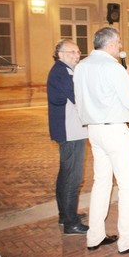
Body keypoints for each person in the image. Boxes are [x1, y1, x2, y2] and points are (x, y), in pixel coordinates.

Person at [74, 27, 129, 254]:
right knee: (127, 186)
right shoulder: (113, 67)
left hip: (94, 131)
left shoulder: (81, 66)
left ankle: (94, 236)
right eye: (118, 42)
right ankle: (127, 239)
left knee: (101, 184)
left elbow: (79, 101)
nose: (120, 47)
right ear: (109, 44)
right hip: (115, 131)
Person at [47, 39, 89, 235]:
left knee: (65, 174)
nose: (77, 55)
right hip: (70, 132)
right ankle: (71, 223)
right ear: (60, 54)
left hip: (72, 130)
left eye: (78, 51)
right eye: (72, 52)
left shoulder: (66, 70)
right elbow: (78, 97)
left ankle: (65, 214)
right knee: (73, 176)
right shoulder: (62, 72)